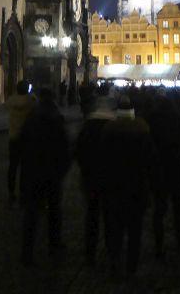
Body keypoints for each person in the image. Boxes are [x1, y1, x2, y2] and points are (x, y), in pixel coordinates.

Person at [100, 95, 157, 278]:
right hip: (137, 188)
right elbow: (151, 163)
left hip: (113, 188)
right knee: (135, 230)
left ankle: (115, 260)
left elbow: (102, 162)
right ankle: (132, 265)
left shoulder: (108, 132)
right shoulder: (143, 132)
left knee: (114, 227)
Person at [19, 88, 70, 265]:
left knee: (31, 213)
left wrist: (24, 169)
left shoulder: (32, 117)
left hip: (33, 172)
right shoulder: (56, 118)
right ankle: (54, 245)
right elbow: (65, 148)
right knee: (54, 211)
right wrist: (61, 171)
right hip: (52, 173)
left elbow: (22, 143)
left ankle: (27, 251)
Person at [146, 94, 180, 258]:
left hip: (159, 169)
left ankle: (158, 244)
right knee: (179, 208)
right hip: (176, 168)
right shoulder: (178, 118)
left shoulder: (152, 119)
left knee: (159, 209)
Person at [74, 91, 113, 265]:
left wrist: (85, 170)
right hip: (110, 181)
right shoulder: (114, 128)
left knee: (92, 216)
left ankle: (90, 253)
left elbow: (78, 152)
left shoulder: (87, 127)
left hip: (90, 180)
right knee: (111, 217)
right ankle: (112, 252)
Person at [6, 80, 36, 205]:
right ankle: (23, 192)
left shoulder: (11, 100)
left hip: (13, 137)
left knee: (12, 166)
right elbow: (36, 101)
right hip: (25, 139)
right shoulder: (30, 101)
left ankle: (11, 192)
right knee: (25, 168)